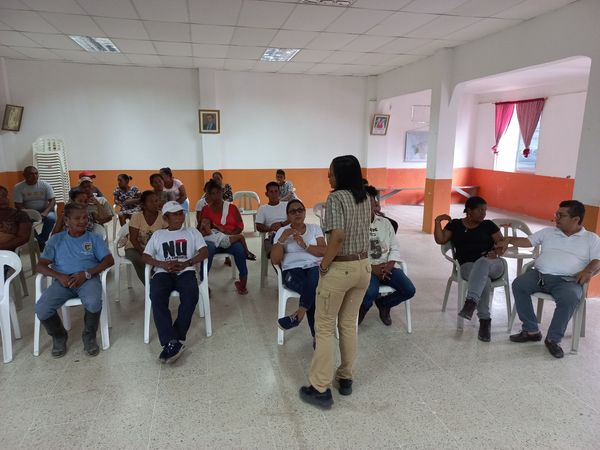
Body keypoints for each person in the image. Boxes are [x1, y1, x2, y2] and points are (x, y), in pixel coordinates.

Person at [300, 155, 371, 409]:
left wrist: (325, 264)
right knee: (348, 324)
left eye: (331, 172)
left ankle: (320, 387)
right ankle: (346, 377)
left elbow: (338, 237)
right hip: (363, 267)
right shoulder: (365, 197)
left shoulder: (336, 198)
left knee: (325, 327)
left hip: (341, 268)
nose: (328, 176)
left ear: (341, 174)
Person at [500, 200, 600, 358]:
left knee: (569, 297)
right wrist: (509, 239)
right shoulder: (548, 232)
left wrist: (588, 270)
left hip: (568, 281)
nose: (556, 218)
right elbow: (527, 241)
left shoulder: (591, 238)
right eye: (556, 214)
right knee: (519, 284)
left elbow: (597, 259)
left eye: (561, 215)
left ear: (576, 219)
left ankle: (553, 339)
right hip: (539, 275)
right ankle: (531, 330)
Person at [34, 203, 114, 358]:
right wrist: (59, 276)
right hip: (62, 282)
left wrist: (87, 274)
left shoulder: (93, 238)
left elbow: (109, 260)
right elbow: (40, 266)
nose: (82, 221)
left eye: (85, 217)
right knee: (42, 309)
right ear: (66, 220)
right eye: (77, 218)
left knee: (93, 302)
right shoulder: (56, 240)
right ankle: (59, 336)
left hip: (88, 280)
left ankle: (89, 336)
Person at [142, 201, 208, 363]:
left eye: (181, 213)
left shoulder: (192, 232)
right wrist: (161, 264)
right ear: (166, 218)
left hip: (186, 271)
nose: (179, 217)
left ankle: (173, 340)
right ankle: (172, 341)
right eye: (175, 214)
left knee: (191, 295)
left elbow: (204, 252)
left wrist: (187, 263)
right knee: (156, 295)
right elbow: (145, 256)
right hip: (163, 272)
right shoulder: (158, 235)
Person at [433, 196, 505, 343]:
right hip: (467, 266)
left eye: (485, 210)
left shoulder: (489, 225)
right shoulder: (456, 225)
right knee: (484, 279)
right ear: (469, 211)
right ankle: (485, 321)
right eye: (480, 210)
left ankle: (471, 302)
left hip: (493, 264)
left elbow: (502, 243)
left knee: (483, 263)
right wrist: (437, 222)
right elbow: (440, 240)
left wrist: (496, 252)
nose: (484, 213)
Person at [271, 199, 326, 347]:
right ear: (288, 215)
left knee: (314, 276)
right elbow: (275, 260)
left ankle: (299, 314)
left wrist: (305, 245)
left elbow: (324, 251)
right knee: (313, 290)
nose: (297, 213)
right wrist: (282, 239)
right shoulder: (282, 231)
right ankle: (316, 335)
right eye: (293, 211)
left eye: (300, 210)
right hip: (291, 270)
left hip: (313, 267)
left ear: (305, 212)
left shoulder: (314, 228)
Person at [359, 186, 416, 326]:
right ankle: (362, 310)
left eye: (371, 200)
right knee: (371, 292)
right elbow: (353, 253)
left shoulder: (385, 223)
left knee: (409, 290)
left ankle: (384, 304)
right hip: (366, 268)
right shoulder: (355, 226)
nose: (370, 204)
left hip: (387, 266)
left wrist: (389, 266)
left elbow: (394, 247)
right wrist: (372, 268)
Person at [198, 180, 249, 295]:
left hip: (229, 239)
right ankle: (203, 283)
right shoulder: (206, 209)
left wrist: (229, 235)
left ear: (222, 192)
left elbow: (240, 226)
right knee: (208, 250)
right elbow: (201, 228)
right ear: (208, 195)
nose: (216, 196)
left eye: (218, 192)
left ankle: (242, 282)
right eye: (212, 193)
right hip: (212, 240)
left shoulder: (232, 208)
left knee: (239, 250)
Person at [125, 190, 167, 283]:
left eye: (156, 200)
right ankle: (150, 285)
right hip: (134, 248)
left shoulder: (162, 217)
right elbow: (133, 239)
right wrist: (144, 253)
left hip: (155, 248)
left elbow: (166, 236)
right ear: (143, 205)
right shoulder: (136, 217)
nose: (155, 203)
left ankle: (158, 282)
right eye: (151, 201)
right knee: (140, 260)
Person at [13, 165, 56, 251]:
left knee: (51, 218)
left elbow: (53, 201)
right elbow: (18, 205)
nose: (34, 176)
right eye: (31, 174)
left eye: (36, 173)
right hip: (28, 212)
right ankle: (41, 242)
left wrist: (45, 212)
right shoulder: (18, 187)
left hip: (44, 210)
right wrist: (28, 213)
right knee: (26, 222)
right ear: (24, 175)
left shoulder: (45, 185)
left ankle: (42, 239)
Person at [256, 181, 289, 256]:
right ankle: (276, 253)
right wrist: (270, 228)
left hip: (287, 232)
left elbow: (292, 219)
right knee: (273, 240)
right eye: (271, 192)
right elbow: (258, 226)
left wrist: (281, 224)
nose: (274, 194)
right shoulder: (263, 208)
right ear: (266, 194)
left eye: (276, 191)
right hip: (272, 234)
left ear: (279, 193)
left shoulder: (286, 205)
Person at [0, 185, 31, 252]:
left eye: (5, 196)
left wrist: (1, 247)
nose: (3, 200)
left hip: (7, 252)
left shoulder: (20, 215)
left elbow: (23, 238)